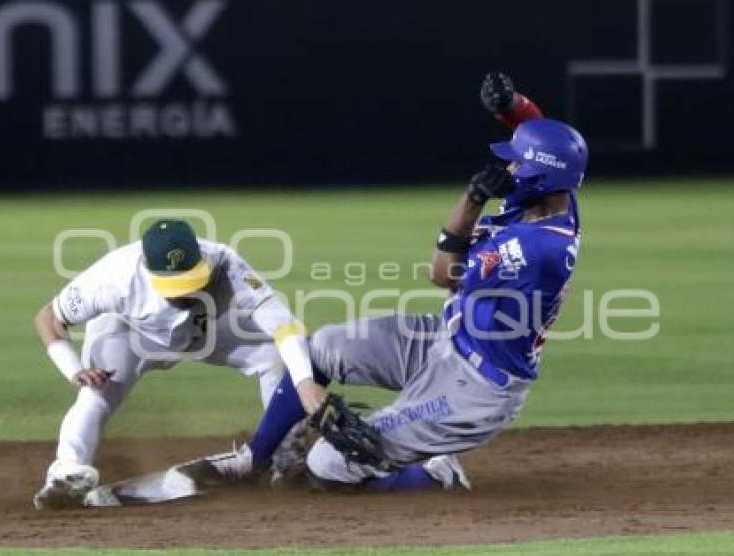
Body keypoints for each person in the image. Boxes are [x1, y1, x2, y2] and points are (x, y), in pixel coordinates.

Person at [193, 73, 587, 491]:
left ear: (538, 179)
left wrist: (472, 198)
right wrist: (514, 107)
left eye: (517, 163)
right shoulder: (556, 198)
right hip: (446, 339)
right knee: (320, 349)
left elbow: (440, 271)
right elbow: (545, 142)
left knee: (328, 465)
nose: (509, 167)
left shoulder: (533, 248)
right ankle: (255, 459)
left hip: (475, 387)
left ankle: (436, 474)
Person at [32, 219, 328, 509]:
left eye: (191, 280)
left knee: (273, 356)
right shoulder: (113, 278)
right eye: (174, 284)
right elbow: (48, 318)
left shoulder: (225, 262)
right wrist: (74, 369)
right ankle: (64, 474)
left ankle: (288, 452)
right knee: (96, 394)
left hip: (203, 330)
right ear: (147, 268)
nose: (185, 292)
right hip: (128, 336)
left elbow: (283, 325)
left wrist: (303, 382)